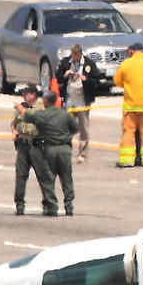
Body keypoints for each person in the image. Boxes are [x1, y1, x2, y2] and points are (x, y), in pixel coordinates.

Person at [11, 85, 57, 216]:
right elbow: (14, 123)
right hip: (22, 145)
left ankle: (50, 204)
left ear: (33, 95)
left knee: (43, 175)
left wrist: (21, 109)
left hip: (36, 145)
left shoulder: (41, 107)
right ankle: (19, 204)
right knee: (20, 175)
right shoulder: (22, 107)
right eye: (24, 93)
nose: (24, 96)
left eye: (27, 93)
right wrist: (14, 132)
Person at [55, 43, 101, 163]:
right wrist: (65, 75)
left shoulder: (89, 64)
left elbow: (97, 82)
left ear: (80, 54)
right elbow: (58, 77)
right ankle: (65, 152)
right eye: (72, 55)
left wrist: (85, 79)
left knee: (83, 129)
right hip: (70, 100)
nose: (74, 58)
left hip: (82, 101)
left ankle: (82, 154)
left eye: (76, 56)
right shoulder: (66, 62)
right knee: (66, 128)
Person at [38, 88, 80, 216]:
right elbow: (75, 129)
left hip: (50, 148)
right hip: (65, 149)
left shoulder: (43, 114)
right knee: (66, 177)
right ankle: (69, 206)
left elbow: (39, 129)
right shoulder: (65, 114)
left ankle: (51, 206)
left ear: (46, 101)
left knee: (49, 178)